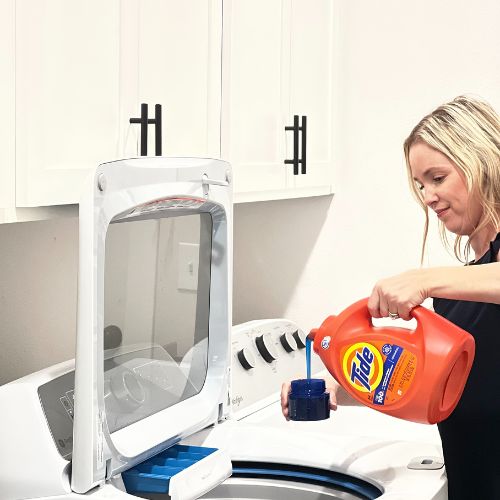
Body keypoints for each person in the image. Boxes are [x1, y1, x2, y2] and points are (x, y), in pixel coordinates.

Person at [281, 95, 500, 500]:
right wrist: (340, 387)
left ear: (482, 162)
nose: (427, 196)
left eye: (437, 178)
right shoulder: (460, 293)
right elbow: (427, 381)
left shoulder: (468, 281)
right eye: (420, 184)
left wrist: (424, 280)